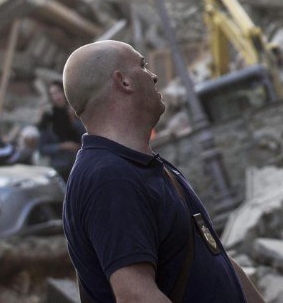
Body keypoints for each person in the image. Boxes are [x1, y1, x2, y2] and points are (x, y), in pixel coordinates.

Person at [61, 40, 262, 303]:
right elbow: (136, 295)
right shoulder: (109, 178)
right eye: (143, 65)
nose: (154, 76)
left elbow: (212, 253)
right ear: (123, 82)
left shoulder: (143, 165)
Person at [38, 80, 86, 180]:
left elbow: (88, 136)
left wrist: (73, 120)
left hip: (80, 164)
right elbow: (42, 148)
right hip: (59, 167)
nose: (56, 97)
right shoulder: (49, 117)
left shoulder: (77, 110)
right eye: (52, 94)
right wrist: (62, 146)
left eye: (58, 92)